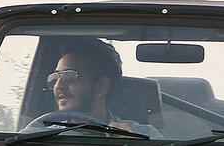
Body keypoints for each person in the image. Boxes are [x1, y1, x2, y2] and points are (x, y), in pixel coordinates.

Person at [30, 38, 162, 137]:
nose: (58, 85)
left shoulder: (141, 134)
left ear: (101, 86)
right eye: (55, 78)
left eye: (69, 76)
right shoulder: (41, 137)